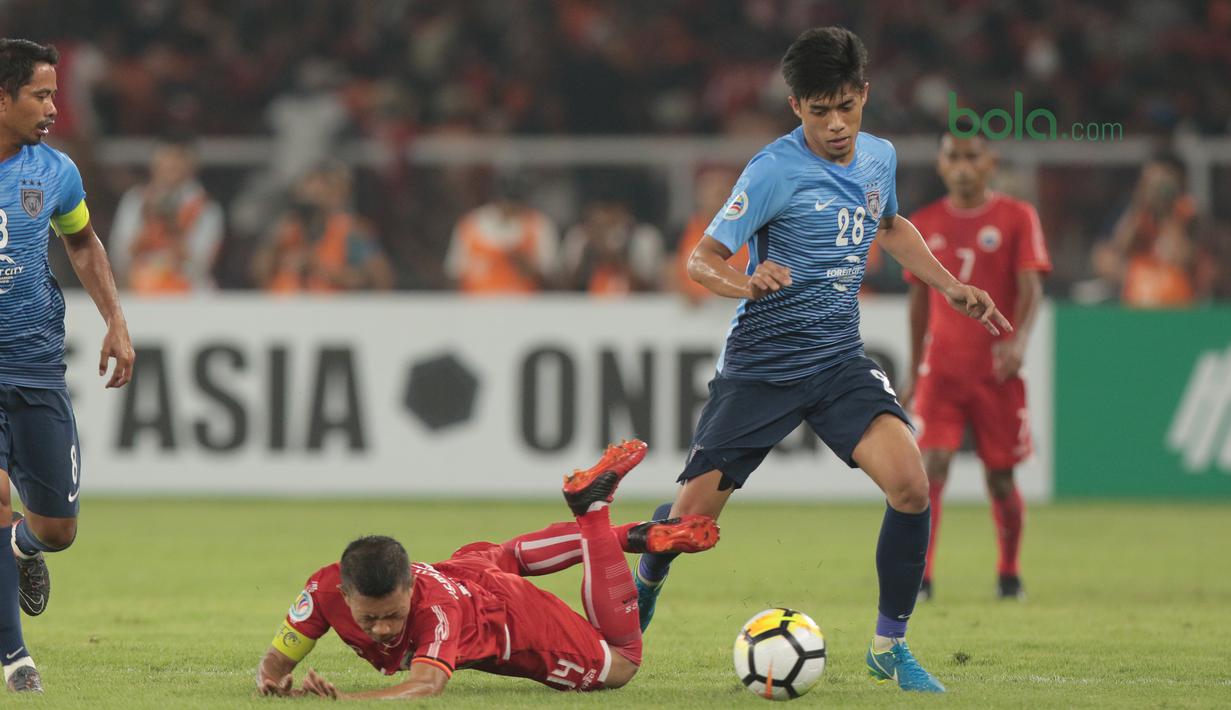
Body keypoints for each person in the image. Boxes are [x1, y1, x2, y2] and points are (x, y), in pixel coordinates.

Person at [632, 27, 1010, 694]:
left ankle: (889, 646)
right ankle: (645, 584)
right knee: (687, 525)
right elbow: (701, 259)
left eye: (845, 106)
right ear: (793, 106)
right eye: (818, 110)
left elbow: (888, 226)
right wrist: (742, 284)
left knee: (910, 484)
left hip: (837, 361)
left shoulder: (877, 159)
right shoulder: (772, 171)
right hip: (761, 367)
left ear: (863, 94)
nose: (835, 125)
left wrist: (948, 284)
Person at [256, 440, 718, 699]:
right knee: (509, 554)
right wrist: (273, 685)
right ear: (343, 590)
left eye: (393, 614)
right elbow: (276, 661)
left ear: (411, 587)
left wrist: (344, 703)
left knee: (622, 663)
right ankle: (635, 534)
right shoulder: (320, 590)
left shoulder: (433, 612)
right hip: (462, 571)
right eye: (369, 617)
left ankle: (594, 513)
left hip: (509, 615)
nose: (381, 628)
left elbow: (425, 684)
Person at [0, 38, 135, 693]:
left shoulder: (54, 171)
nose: (55, 107)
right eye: (41, 95)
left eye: (54, 93)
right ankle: (15, 659)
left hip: (36, 367)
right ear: (2, 97)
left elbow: (80, 241)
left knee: (57, 529)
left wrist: (115, 318)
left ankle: (24, 550)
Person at [900, 133, 1051, 602]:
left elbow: (1031, 287)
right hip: (942, 371)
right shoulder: (922, 224)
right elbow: (918, 302)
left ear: (991, 163)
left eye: (972, 157)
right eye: (953, 157)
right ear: (941, 165)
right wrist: (913, 367)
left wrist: (1019, 342)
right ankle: (921, 577)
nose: (962, 166)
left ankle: (1009, 571)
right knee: (932, 467)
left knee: (1000, 478)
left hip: (997, 371)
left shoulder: (1016, 216)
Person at [252, 160, 394, 293]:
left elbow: (380, 280)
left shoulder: (351, 231)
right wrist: (273, 244)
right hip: (282, 310)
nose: (311, 193)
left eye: (321, 188)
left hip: (331, 312)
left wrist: (318, 268)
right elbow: (258, 275)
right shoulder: (285, 228)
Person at [108, 135, 224, 293]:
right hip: (139, 291)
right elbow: (119, 257)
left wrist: (172, 228)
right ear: (154, 161)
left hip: (189, 295)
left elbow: (202, 263)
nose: (171, 164)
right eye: (166, 156)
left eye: (179, 158)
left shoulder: (207, 208)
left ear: (192, 163)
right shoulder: (135, 200)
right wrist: (148, 225)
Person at [1090, 153, 1197, 307]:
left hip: (1175, 299)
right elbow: (1116, 248)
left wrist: (1168, 212)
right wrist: (1140, 204)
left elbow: (1178, 256)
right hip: (1138, 295)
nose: (1158, 187)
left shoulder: (1186, 211)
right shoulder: (1135, 211)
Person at [444, 172, 559, 294]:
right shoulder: (471, 225)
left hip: (525, 307)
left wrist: (529, 268)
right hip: (476, 306)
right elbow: (454, 274)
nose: (510, 209)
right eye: (507, 202)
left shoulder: (538, 225)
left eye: (515, 203)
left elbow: (553, 279)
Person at [668, 165, 744, 305]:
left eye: (724, 193)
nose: (718, 200)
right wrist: (682, 293)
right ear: (699, 195)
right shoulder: (682, 231)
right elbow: (669, 271)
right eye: (713, 193)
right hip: (693, 312)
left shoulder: (751, 232)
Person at [558, 199, 664, 295]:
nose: (605, 229)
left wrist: (618, 258)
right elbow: (565, 288)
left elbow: (651, 289)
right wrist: (589, 253)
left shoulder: (641, 238)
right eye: (599, 224)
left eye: (610, 221)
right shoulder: (580, 239)